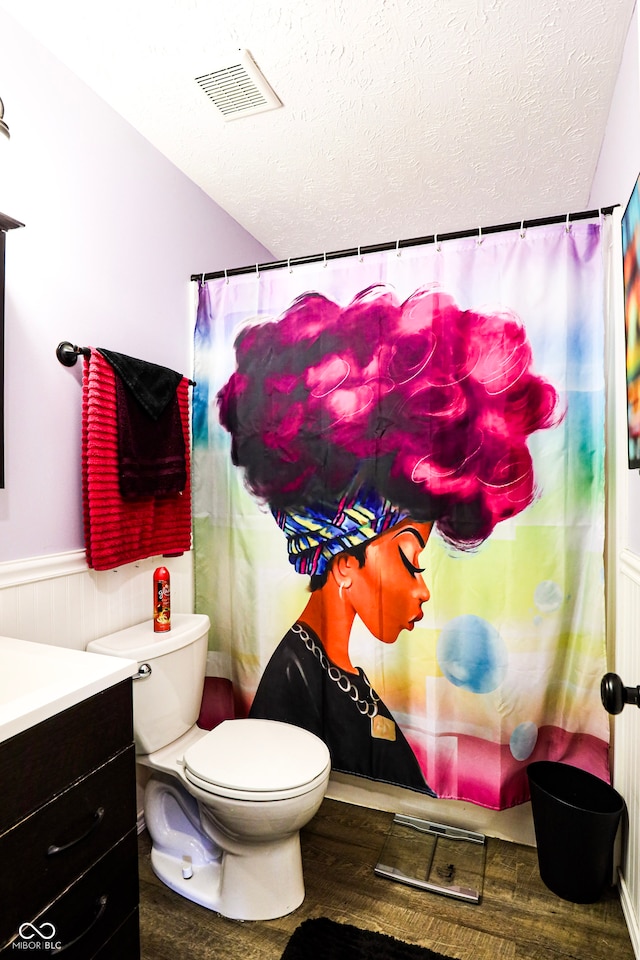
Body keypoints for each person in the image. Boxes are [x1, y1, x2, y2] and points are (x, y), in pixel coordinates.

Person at [217, 283, 560, 794]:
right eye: (410, 560)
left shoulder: (333, 671)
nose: (423, 589)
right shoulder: (295, 682)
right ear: (344, 562)